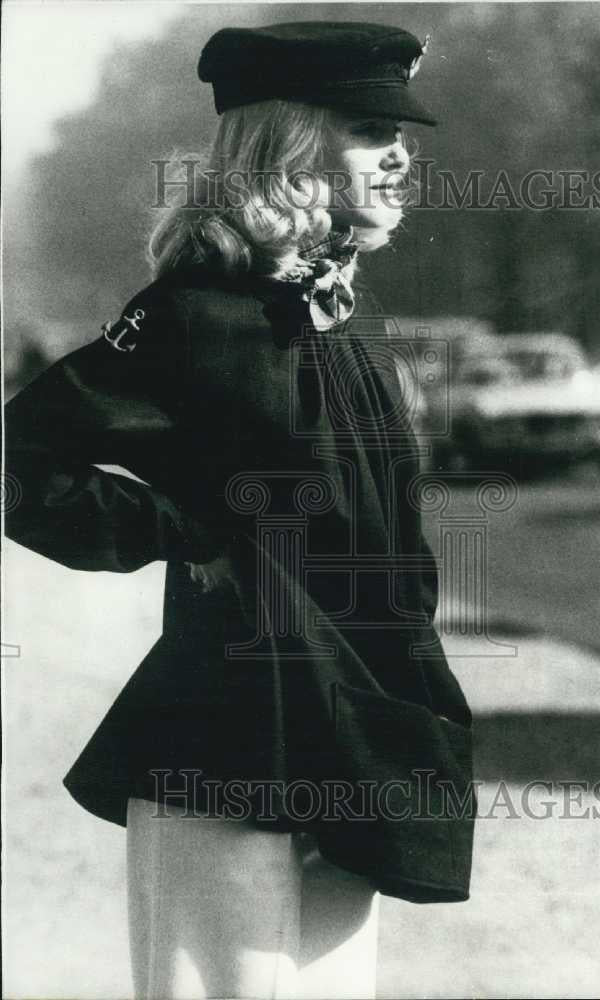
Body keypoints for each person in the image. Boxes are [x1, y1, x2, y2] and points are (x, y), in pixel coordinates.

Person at [4, 22, 475, 1000]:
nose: (400, 150)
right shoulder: (191, 316)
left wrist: (427, 713)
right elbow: (20, 454)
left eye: (404, 131)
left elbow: (397, 560)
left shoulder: (354, 321)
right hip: (224, 746)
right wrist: (178, 529)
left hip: (361, 741)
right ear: (291, 144)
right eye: (368, 126)